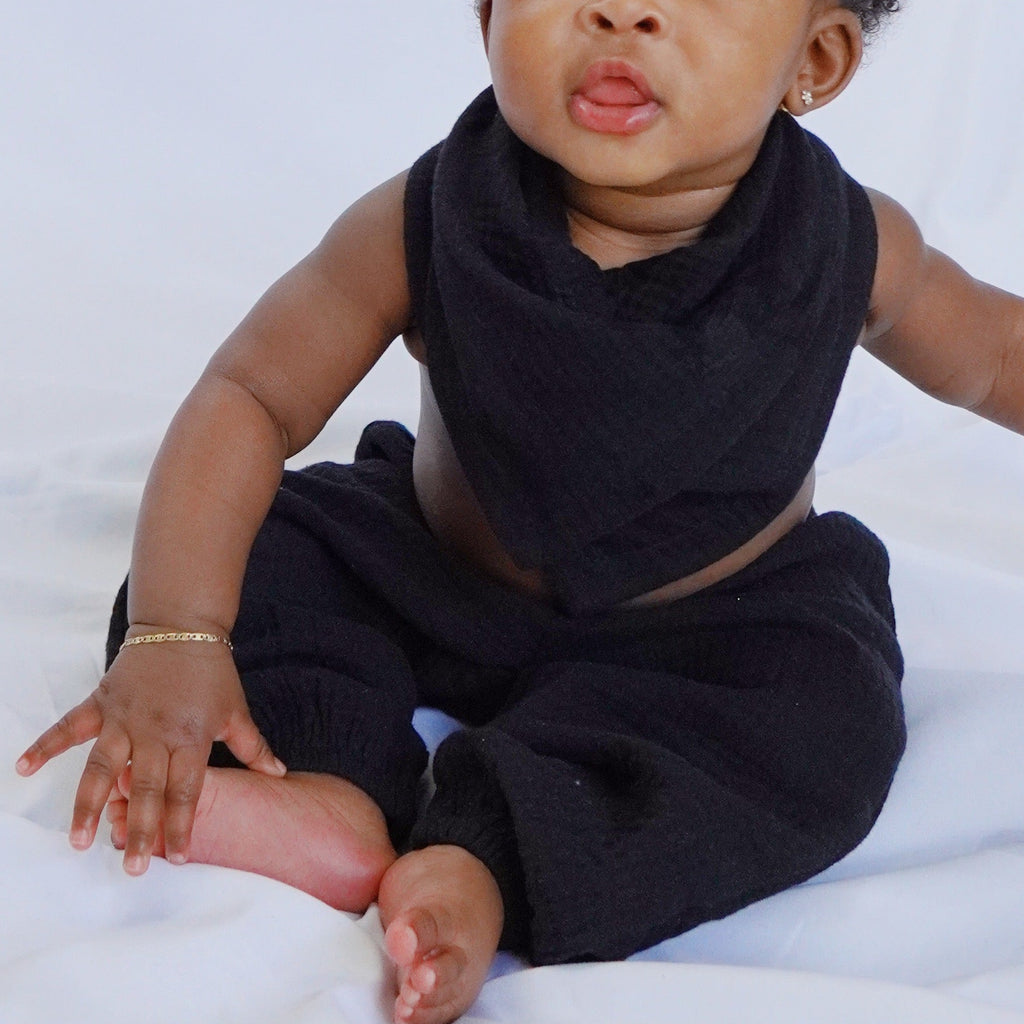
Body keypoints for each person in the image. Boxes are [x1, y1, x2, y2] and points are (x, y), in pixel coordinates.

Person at [15, 1, 1024, 1022]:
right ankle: (332, 788)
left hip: (706, 631)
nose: (622, 13)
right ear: (490, 12)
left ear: (814, 58)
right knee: (257, 546)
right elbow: (252, 397)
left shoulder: (848, 244)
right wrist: (177, 630)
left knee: (823, 717)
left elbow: (994, 356)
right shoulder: (432, 213)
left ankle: (485, 859)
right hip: (433, 571)